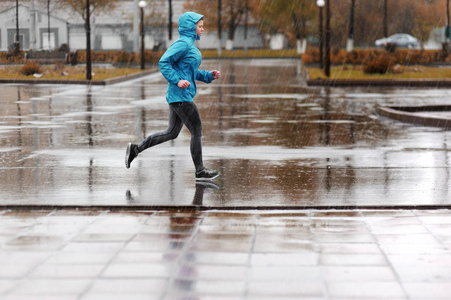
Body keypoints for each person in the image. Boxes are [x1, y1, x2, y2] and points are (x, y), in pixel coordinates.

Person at [125, 11, 221, 181]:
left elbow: (190, 71)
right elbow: (164, 62)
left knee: (171, 133)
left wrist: (208, 76)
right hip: (181, 96)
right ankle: (200, 171)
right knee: (197, 130)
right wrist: (177, 81)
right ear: (191, 27)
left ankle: (135, 149)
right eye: (200, 26)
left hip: (179, 96)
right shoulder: (184, 43)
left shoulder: (190, 44)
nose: (203, 29)